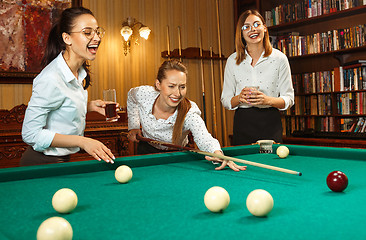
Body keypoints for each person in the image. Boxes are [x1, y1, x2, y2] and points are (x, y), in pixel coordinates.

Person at [21, 7, 116, 166]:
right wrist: (83, 142)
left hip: (62, 161)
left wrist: (90, 107)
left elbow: (60, 108)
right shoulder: (50, 78)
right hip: (40, 163)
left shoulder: (79, 72)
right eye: (87, 32)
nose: (97, 38)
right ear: (67, 38)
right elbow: (30, 134)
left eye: (97, 32)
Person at [127, 60, 246, 172]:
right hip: (146, 152)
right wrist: (134, 126)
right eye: (171, 86)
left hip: (177, 157)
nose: (177, 94)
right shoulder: (144, 94)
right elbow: (131, 97)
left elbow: (204, 138)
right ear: (158, 84)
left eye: (182, 87)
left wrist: (218, 154)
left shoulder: (189, 112)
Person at [221, 9, 294, 145]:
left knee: (269, 163)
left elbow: (289, 99)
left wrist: (267, 100)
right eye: (246, 27)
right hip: (243, 123)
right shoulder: (232, 60)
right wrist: (239, 98)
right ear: (241, 33)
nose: (252, 30)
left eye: (256, 24)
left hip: (270, 122)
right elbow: (225, 100)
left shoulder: (280, 59)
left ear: (264, 28)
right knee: (243, 164)